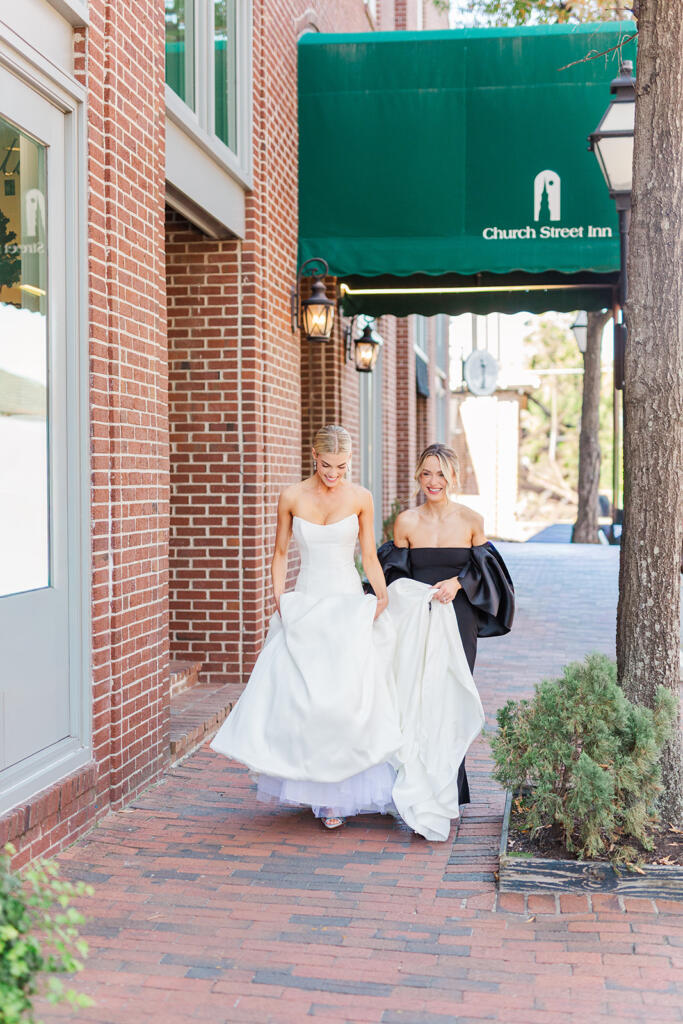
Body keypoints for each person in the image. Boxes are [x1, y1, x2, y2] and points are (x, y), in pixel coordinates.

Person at [210, 424, 402, 830]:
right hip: (306, 601)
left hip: (348, 603)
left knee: (345, 696)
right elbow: (279, 553)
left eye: (342, 467)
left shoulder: (361, 497)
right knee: (303, 697)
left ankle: (339, 794)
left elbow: (368, 553)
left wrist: (381, 595)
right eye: (327, 465)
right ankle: (312, 786)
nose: (334, 474)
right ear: (314, 456)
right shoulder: (292, 496)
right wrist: (278, 599)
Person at [385, 443, 515, 810]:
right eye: (426, 473)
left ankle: (449, 790)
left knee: (451, 698)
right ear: (417, 477)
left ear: (454, 477)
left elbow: (487, 571)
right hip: (417, 620)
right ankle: (416, 787)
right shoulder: (406, 522)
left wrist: (457, 584)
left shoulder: (471, 520)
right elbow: (394, 574)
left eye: (441, 473)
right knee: (417, 699)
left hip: (459, 618)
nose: (433, 481)